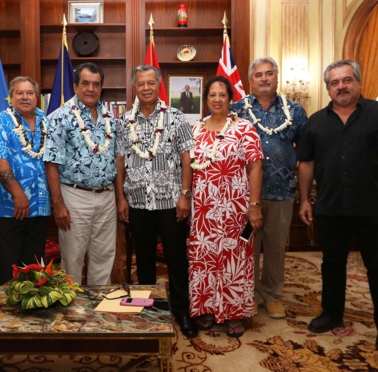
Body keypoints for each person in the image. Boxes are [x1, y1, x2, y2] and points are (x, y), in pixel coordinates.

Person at [297, 60, 378, 354]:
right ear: (328, 88)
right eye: (334, 83)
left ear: (358, 83)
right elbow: (306, 163)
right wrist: (305, 199)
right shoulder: (315, 121)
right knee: (332, 264)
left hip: (373, 207)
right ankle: (332, 313)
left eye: (347, 80)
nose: (341, 87)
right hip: (331, 206)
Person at [116, 65, 198, 338]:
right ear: (134, 88)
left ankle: (181, 310)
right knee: (146, 259)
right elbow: (119, 163)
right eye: (141, 84)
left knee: (176, 258)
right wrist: (121, 199)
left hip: (171, 201)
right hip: (138, 201)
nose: (146, 88)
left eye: (151, 82)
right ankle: (149, 309)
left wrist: (185, 195)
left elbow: (187, 158)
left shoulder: (176, 117)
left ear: (158, 85)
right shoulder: (124, 121)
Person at [231, 57, 307, 319]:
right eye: (258, 75)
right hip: (243, 195)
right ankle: (247, 294)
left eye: (269, 74)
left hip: (281, 192)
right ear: (250, 80)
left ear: (277, 77)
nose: (264, 79)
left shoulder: (295, 112)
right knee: (246, 246)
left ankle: (273, 295)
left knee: (275, 246)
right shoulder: (236, 110)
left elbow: (306, 152)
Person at [188, 75, 263, 338]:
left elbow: (255, 166)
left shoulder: (244, 128)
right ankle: (206, 309)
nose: (217, 99)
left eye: (222, 94)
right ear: (205, 100)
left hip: (235, 207)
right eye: (212, 95)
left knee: (235, 259)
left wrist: (254, 205)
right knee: (205, 258)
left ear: (230, 99)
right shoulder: (195, 129)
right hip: (203, 209)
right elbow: (188, 167)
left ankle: (233, 313)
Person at [44, 62, 117, 285]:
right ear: (75, 86)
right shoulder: (60, 117)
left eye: (96, 84)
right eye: (85, 83)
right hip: (75, 196)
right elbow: (51, 163)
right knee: (73, 260)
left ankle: (98, 314)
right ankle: (72, 316)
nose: (91, 89)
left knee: (104, 258)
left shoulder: (110, 117)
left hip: (106, 196)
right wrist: (58, 204)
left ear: (101, 87)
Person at [0, 76, 51, 285]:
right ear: (11, 97)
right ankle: (5, 314)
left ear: (36, 97)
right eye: (19, 93)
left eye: (29, 93)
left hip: (40, 208)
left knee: (34, 267)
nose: (25, 97)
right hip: (11, 208)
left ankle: (32, 311)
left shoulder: (46, 121)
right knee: (9, 267)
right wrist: (18, 194)